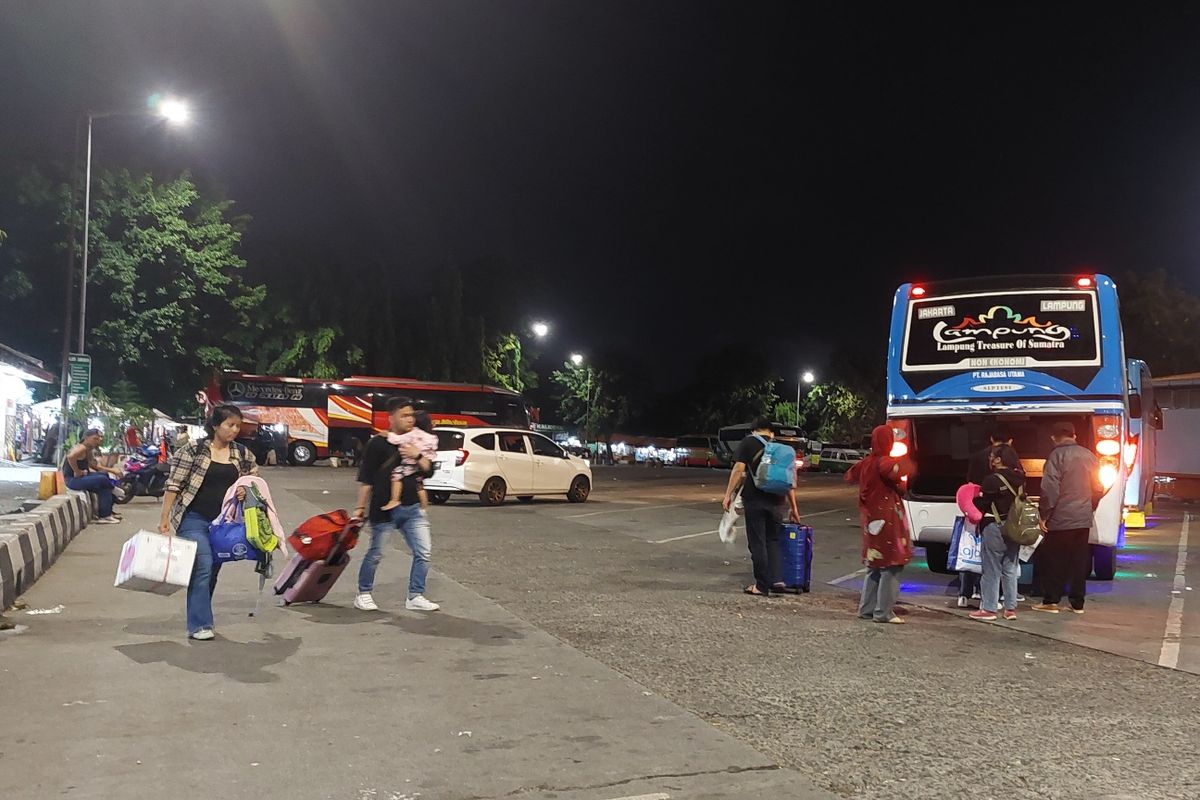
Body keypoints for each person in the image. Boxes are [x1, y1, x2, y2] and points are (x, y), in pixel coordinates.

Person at [158, 405, 257, 641]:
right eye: (229, 425)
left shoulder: (243, 454)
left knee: (212, 569)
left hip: (223, 523)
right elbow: (174, 486)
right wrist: (164, 519)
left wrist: (246, 492)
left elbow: (254, 483)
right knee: (202, 565)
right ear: (215, 425)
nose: (234, 430)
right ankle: (200, 625)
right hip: (193, 518)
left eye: (238, 426)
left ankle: (199, 612)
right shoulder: (192, 450)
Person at [354, 397, 439, 613]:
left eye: (411, 415)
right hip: (384, 509)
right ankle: (363, 593)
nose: (410, 419)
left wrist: (416, 454)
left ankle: (415, 595)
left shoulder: (417, 440)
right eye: (404, 416)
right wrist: (360, 508)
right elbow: (366, 479)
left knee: (424, 552)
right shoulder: (378, 443)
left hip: (412, 509)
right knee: (376, 553)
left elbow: (428, 470)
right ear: (391, 418)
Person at [722, 418, 802, 597]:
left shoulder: (749, 442)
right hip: (778, 502)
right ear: (771, 432)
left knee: (757, 543)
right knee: (773, 541)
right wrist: (794, 508)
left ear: (753, 430)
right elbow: (790, 481)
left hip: (755, 500)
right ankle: (776, 580)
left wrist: (728, 495)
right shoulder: (780, 448)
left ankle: (761, 586)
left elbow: (738, 469)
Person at [847, 424, 914, 623]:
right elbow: (902, 470)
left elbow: (850, 475)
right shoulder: (884, 462)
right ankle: (884, 612)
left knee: (874, 565)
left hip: (870, 520)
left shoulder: (866, 463)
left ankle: (866, 609)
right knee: (891, 564)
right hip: (888, 520)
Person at [1033, 421, 1102, 614]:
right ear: (1074, 435)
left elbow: (1050, 490)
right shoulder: (1089, 456)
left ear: (1053, 437)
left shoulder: (1056, 456)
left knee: (1054, 561)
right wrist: (1089, 507)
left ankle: (1051, 601)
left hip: (1060, 519)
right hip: (1082, 519)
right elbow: (1098, 487)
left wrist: (1044, 514)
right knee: (1079, 561)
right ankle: (1077, 603)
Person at [968, 445, 1025, 621]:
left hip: (995, 525)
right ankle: (1010, 609)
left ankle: (989, 609)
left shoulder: (991, 480)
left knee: (991, 568)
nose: (990, 459)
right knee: (1010, 567)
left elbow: (983, 503)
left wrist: (974, 500)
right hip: (1015, 526)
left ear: (999, 459)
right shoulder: (1020, 478)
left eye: (992, 456)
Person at [381, 410, 439, 512]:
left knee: (396, 476)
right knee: (420, 486)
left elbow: (398, 439)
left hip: (408, 462)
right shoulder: (429, 436)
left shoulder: (412, 433)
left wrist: (389, 435)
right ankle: (424, 508)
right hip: (420, 465)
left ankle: (394, 499)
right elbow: (430, 467)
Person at [62, 429, 123, 524]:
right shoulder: (81, 448)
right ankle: (113, 488)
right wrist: (77, 471)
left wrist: (112, 470)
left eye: (99, 439)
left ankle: (105, 514)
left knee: (103, 482)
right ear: (86, 438)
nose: (98, 441)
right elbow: (71, 456)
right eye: (95, 439)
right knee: (102, 479)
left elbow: (94, 465)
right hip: (72, 480)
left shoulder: (88, 450)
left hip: (82, 477)